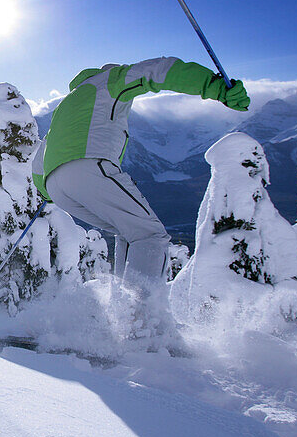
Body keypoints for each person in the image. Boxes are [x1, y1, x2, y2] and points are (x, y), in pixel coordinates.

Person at [33, 57, 249, 288]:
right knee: (150, 236)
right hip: (88, 167)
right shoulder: (110, 81)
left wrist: (47, 191)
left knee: (129, 232)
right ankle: (142, 318)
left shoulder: (67, 104)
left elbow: (40, 158)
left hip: (56, 184)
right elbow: (158, 71)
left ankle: (123, 307)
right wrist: (216, 87)